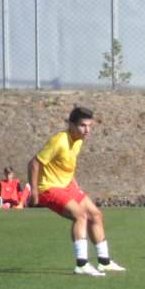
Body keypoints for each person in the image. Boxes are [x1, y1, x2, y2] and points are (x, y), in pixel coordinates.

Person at [28, 106, 124, 276]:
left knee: (96, 214)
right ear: (71, 125)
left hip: (67, 186)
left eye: (90, 126)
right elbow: (34, 163)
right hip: (49, 188)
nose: (87, 130)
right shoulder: (59, 141)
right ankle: (82, 265)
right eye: (82, 125)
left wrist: (76, 187)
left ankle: (104, 262)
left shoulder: (78, 141)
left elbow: (66, 167)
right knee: (80, 216)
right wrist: (34, 193)